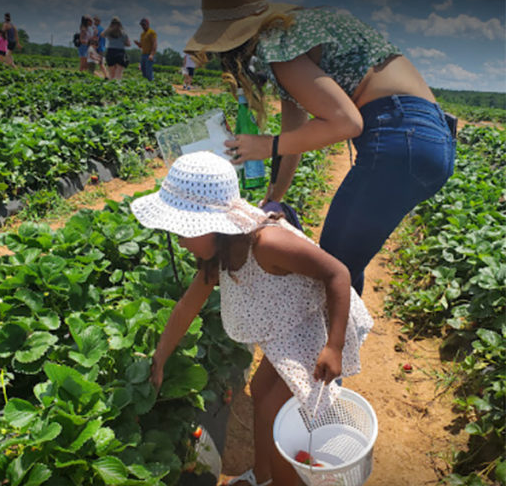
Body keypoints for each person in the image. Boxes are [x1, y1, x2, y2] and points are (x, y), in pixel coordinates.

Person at [185, 0, 457, 297]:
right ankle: (341, 343)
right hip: (430, 138)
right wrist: (274, 196)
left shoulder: (277, 47)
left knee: (331, 269)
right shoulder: (297, 36)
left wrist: (264, 145)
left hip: (401, 137)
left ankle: (334, 346)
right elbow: (294, 133)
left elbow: (347, 122)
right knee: (343, 261)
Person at [133, 151, 373, 486]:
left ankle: (285, 479)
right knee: (261, 390)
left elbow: (338, 274)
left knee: (279, 416)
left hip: (315, 325)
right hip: (287, 329)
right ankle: (263, 477)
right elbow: (187, 307)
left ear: (213, 225)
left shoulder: (267, 243)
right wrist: (159, 358)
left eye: (186, 231)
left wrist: (334, 346)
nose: (182, 241)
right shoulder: (219, 252)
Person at [134, 17, 157, 81]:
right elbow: (141, 46)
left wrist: (152, 54)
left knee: (148, 71)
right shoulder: (142, 34)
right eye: (142, 25)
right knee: (143, 71)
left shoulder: (151, 32)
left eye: (144, 25)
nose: (143, 26)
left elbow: (154, 43)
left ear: (148, 24)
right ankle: (146, 84)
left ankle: (150, 84)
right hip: (143, 54)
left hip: (149, 55)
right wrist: (137, 44)